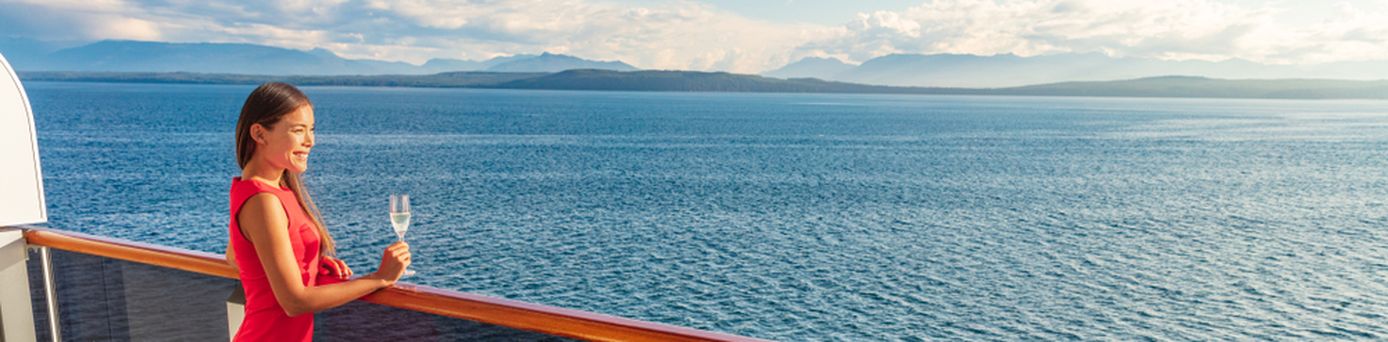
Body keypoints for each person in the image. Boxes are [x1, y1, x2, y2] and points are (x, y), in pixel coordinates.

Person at [224, 82, 410, 341]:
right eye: (298, 131)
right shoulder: (263, 200)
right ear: (259, 133)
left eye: (311, 130)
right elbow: (294, 302)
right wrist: (380, 278)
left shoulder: (256, 190)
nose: (310, 141)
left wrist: (308, 263)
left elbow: (237, 256)